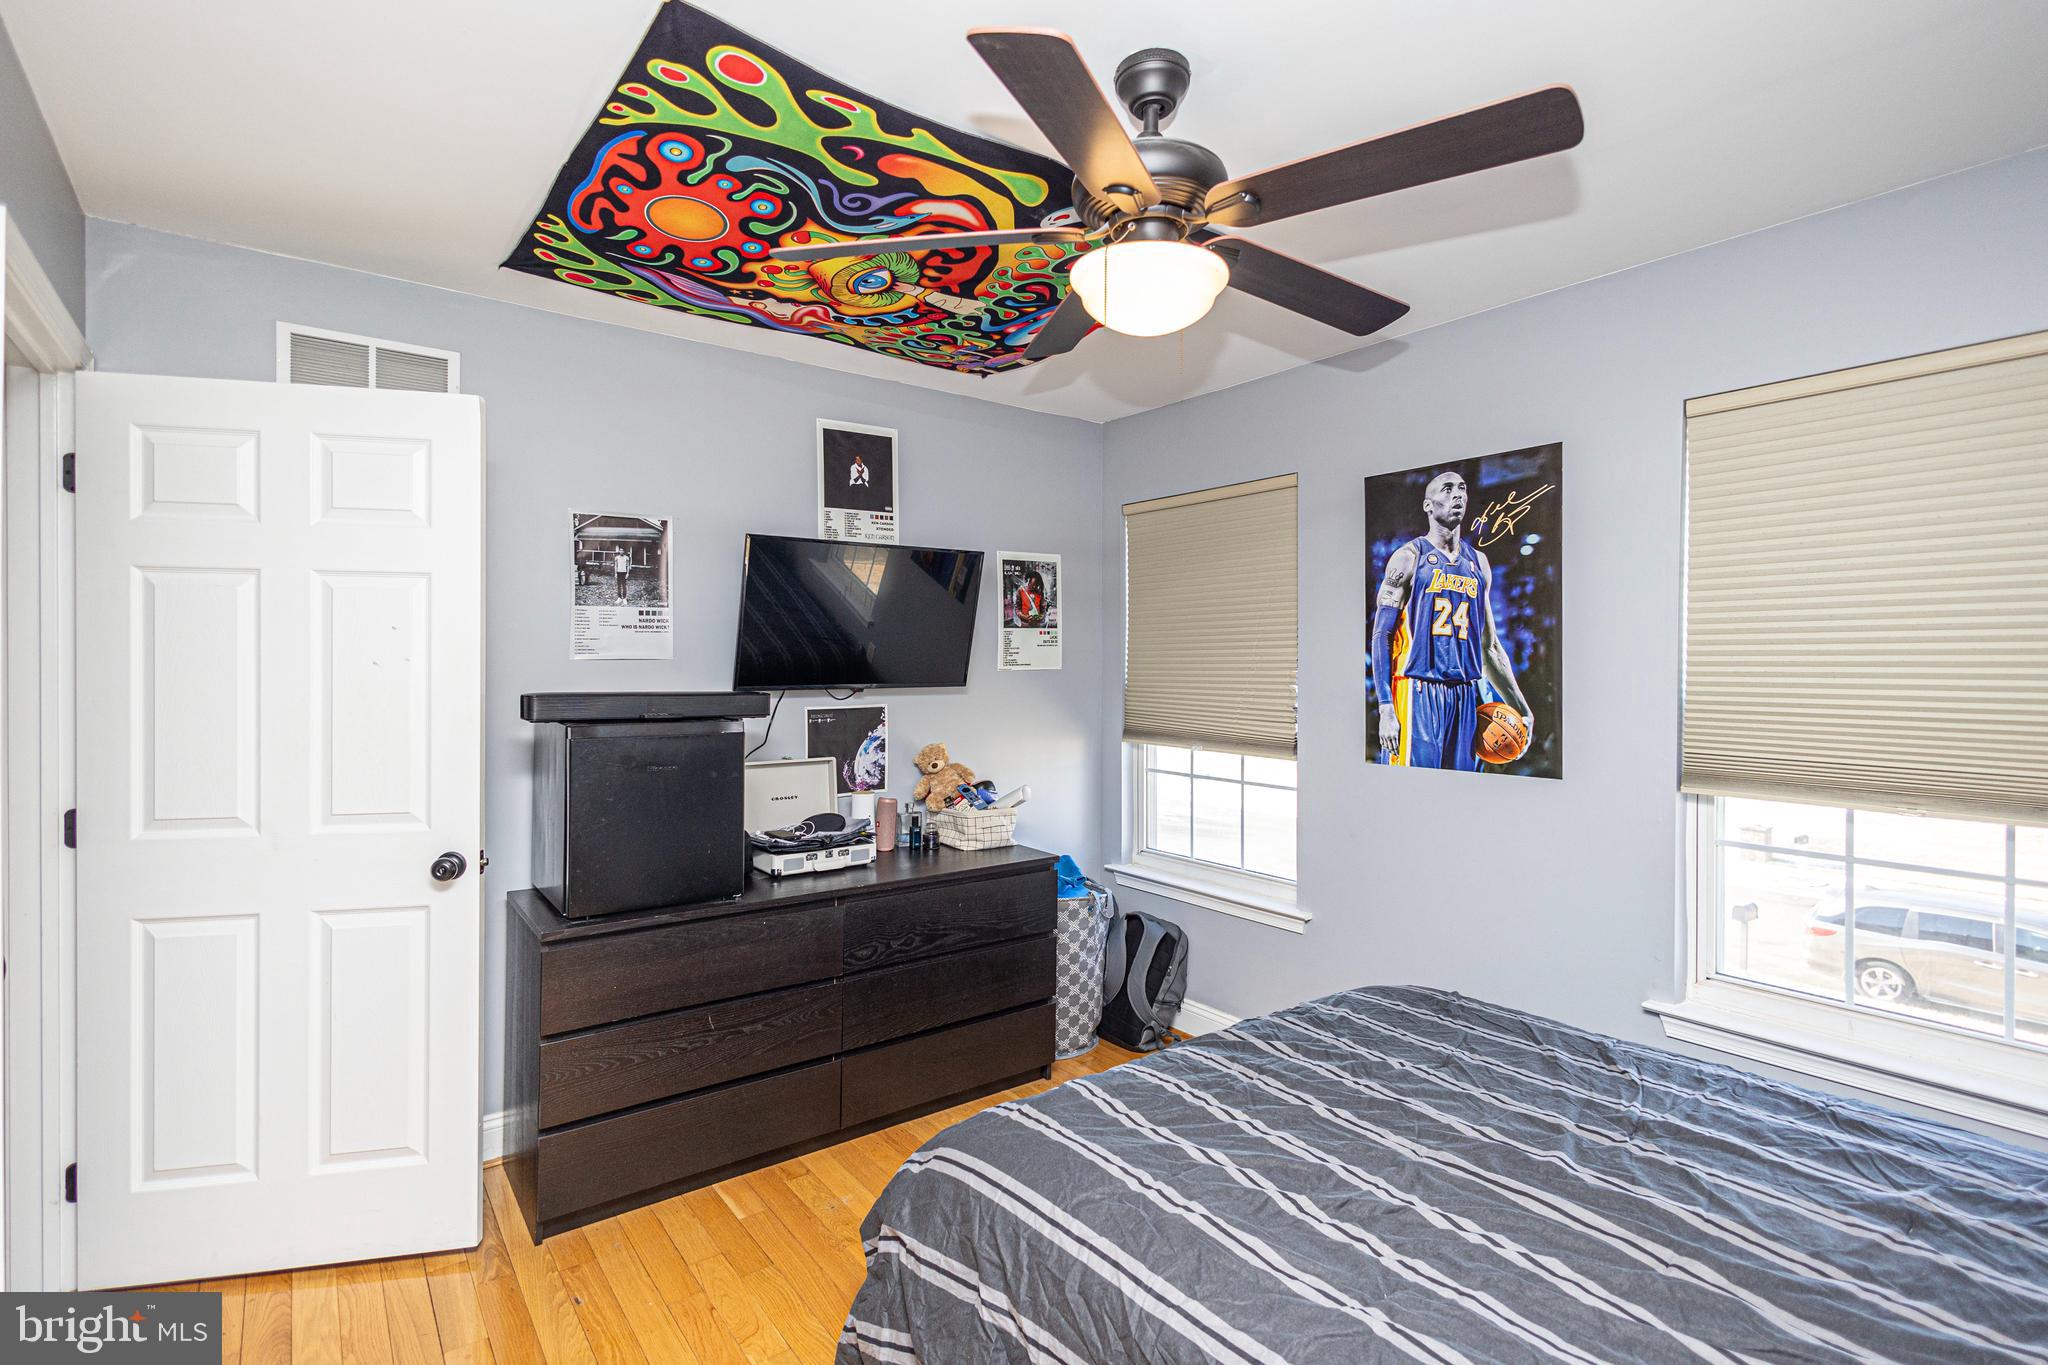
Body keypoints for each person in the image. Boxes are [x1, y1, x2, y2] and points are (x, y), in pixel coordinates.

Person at [1370, 470, 1532, 768]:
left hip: (1464, 694)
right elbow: (1381, 635)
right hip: (1417, 690)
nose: (1457, 494)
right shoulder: (1408, 557)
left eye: (1462, 487)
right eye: (1446, 489)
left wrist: (1520, 706)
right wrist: (1385, 708)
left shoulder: (1478, 563)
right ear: (1428, 506)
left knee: (1459, 792)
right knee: (1409, 792)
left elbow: (1491, 648)